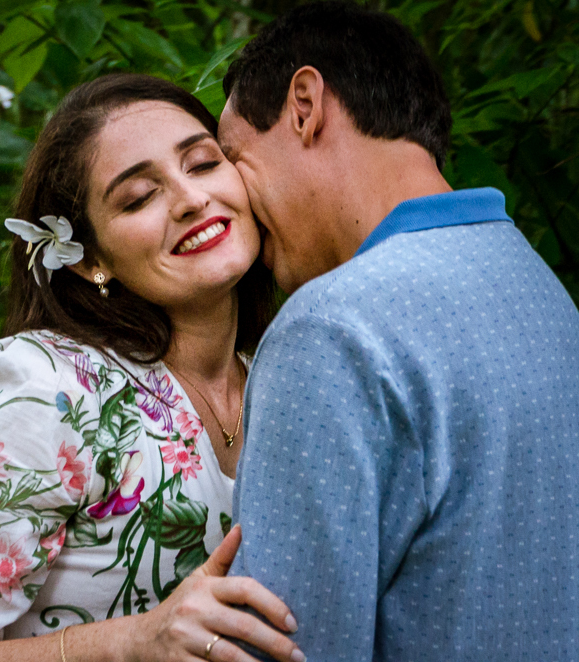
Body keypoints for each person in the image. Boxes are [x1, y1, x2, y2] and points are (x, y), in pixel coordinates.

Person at [0, 74, 307, 662]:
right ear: (90, 258)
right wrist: (133, 641)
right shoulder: (45, 392)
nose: (191, 199)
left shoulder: (283, 380)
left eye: (201, 163)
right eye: (139, 197)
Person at [217, 2, 579, 660]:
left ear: (305, 104)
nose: (232, 200)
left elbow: (284, 648)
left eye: (232, 158)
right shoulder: (542, 292)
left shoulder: (332, 329)